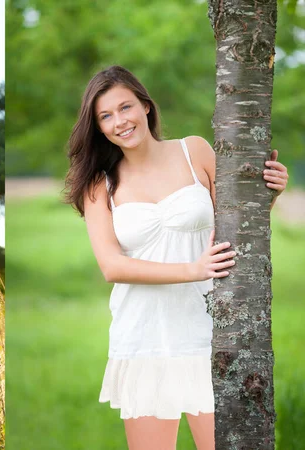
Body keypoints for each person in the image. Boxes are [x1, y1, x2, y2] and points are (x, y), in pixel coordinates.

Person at [64, 66, 288, 450]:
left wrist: (271, 193)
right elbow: (112, 266)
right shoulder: (99, 186)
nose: (120, 121)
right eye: (106, 116)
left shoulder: (194, 151)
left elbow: (237, 225)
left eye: (125, 107)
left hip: (211, 333)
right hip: (144, 336)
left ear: (146, 106)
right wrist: (192, 269)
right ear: (98, 127)